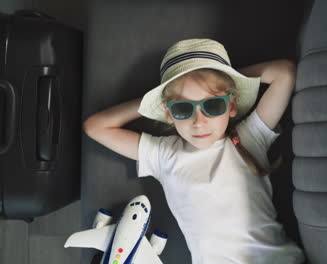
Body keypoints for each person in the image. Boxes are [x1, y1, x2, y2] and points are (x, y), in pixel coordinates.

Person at [83, 38, 305, 264]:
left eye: (213, 105)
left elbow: (285, 73)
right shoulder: (164, 155)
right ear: (169, 114)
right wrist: (159, 98)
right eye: (182, 108)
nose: (199, 122)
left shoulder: (248, 139)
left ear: (231, 106)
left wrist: (224, 79)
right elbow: (96, 127)